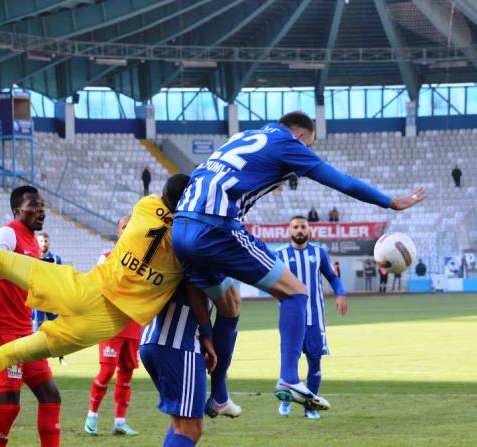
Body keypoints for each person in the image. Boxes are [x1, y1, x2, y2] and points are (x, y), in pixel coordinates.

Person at [173, 111, 425, 410]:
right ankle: (289, 377)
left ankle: (219, 395)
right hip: (216, 226)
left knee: (230, 306)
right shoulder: (287, 143)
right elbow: (342, 181)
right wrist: (391, 201)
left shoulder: (243, 137)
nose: (306, 153)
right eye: (308, 147)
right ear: (301, 137)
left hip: (181, 227)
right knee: (295, 291)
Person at [0, 175, 218, 394]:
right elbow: (197, 288)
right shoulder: (190, 244)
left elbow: (166, 200)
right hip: (100, 324)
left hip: (82, 289)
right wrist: (207, 333)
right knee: (6, 356)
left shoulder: (146, 206)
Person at [0, 186, 62, 447]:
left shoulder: (33, 242)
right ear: (16, 210)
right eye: (33, 205)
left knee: (51, 397)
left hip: (25, 332)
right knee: (10, 406)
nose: (40, 210)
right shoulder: (7, 233)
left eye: (42, 206)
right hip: (2, 332)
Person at [275, 216, 347, 419]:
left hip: (315, 318)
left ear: (309, 230)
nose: (299, 230)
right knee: (290, 361)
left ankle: (310, 406)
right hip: (291, 319)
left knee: (315, 362)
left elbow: (332, 276)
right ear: (289, 230)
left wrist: (340, 293)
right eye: (295, 227)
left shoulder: (319, 253)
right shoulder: (279, 254)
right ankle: (286, 401)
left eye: (303, 227)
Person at [85, 215, 143, 437]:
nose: (129, 230)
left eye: (132, 227)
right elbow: (95, 286)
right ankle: (92, 416)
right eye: (125, 227)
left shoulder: (142, 261)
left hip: (133, 324)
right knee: (107, 371)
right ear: (118, 232)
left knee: (126, 374)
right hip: (111, 324)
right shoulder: (106, 258)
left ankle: (120, 421)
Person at [140, 281, 214, 447]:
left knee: (181, 423)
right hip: (178, 344)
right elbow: (230, 304)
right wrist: (208, 334)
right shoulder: (200, 255)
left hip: (155, 339)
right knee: (189, 428)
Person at [33, 232, 67, 366]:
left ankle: (61, 357)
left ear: (49, 242)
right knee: (37, 328)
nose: (44, 244)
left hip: (52, 299)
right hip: (38, 299)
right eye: (41, 241)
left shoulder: (56, 259)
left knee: (57, 328)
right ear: (37, 243)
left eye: (46, 241)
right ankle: (36, 358)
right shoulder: (32, 257)